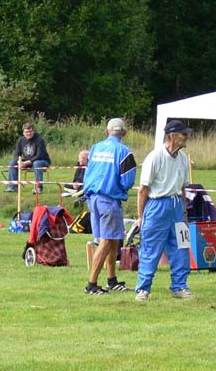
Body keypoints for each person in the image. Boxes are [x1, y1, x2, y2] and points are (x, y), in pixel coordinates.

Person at [134, 119, 194, 301]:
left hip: (176, 206)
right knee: (151, 248)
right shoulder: (155, 157)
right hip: (157, 205)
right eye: (184, 134)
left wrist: (184, 213)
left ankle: (180, 286)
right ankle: (143, 289)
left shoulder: (183, 158)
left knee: (181, 248)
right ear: (173, 136)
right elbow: (143, 189)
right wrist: (141, 216)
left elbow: (183, 188)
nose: (187, 137)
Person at [82, 118, 137, 295]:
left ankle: (111, 280)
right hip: (110, 200)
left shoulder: (95, 148)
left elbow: (88, 172)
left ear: (107, 132)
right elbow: (127, 180)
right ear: (124, 133)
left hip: (93, 199)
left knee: (113, 239)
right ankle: (91, 284)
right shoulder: (124, 152)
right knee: (106, 242)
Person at [5, 122, 51, 194]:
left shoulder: (39, 140)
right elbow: (16, 154)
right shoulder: (21, 140)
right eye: (26, 132)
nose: (29, 133)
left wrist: (27, 162)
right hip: (28, 161)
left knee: (37, 163)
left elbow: (39, 155)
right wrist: (19, 162)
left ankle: (38, 188)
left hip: (42, 161)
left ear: (33, 131)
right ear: (23, 132)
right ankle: (12, 186)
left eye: (30, 131)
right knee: (12, 162)